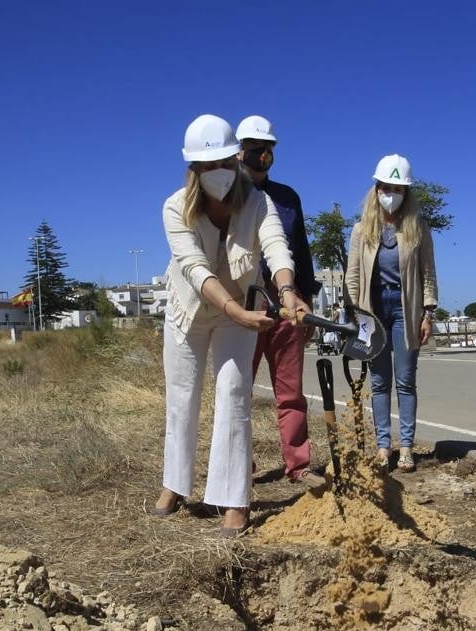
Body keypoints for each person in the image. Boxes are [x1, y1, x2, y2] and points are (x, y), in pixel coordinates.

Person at [152, 114, 311, 534]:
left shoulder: (257, 201)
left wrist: (288, 290)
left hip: (239, 308)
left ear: (234, 159)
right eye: (208, 167)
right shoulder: (174, 207)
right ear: (194, 170)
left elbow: (276, 244)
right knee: (182, 398)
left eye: (224, 163)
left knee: (234, 394)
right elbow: (194, 268)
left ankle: (232, 499)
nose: (219, 174)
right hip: (190, 312)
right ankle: (175, 484)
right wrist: (236, 312)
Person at [235, 115, 326, 490]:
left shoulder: (287, 198)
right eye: (256, 148)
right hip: (242, 306)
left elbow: (300, 252)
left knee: (289, 392)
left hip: (287, 304)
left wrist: (306, 298)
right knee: (236, 390)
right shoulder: (228, 197)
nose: (263, 154)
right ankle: (238, 464)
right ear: (239, 150)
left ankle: (298, 465)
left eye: (268, 148)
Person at [345, 154, 439, 472]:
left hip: (405, 309)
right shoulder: (361, 231)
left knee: (406, 380)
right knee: (380, 381)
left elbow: (428, 273)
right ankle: (384, 447)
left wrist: (428, 314)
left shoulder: (418, 228)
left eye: (398, 189)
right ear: (376, 189)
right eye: (386, 187)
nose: (391, 194)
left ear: (406, 193)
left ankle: (407, 447)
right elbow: (353, 275)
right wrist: (355, 316)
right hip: (372, 312)